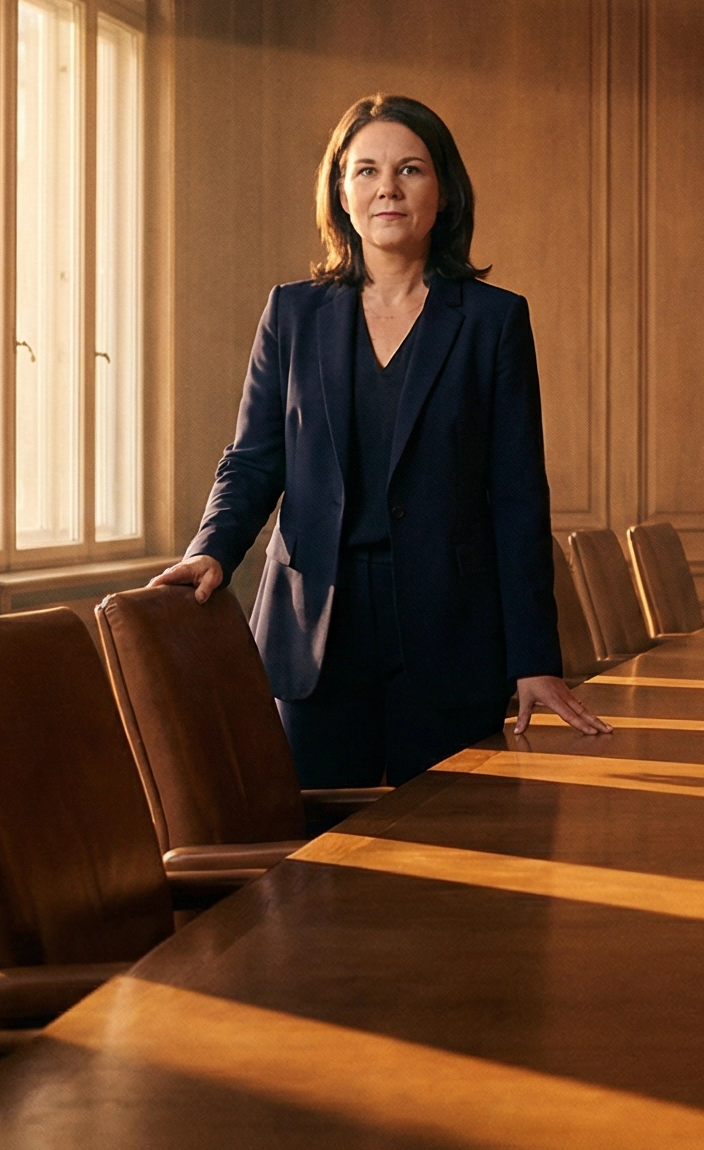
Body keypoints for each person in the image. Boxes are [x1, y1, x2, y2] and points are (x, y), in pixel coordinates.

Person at [152, 93, 609, 785]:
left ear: (444, 193)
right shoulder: (292, 313)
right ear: (341, 194)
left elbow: (518, 498)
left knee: (454, 834)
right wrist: (210, 547)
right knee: (321, 837)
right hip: (314, 629)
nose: (387, 188)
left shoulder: (494, 322)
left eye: (410, 170)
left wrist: (534, 658)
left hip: (452, 631)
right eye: (365, 170)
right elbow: (252, 460)